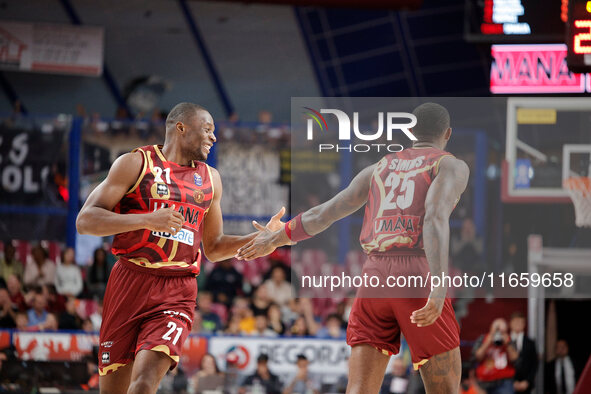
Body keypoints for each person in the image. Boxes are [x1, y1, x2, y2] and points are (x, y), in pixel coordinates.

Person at [237, 103, 469, 393]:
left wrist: (275, 238)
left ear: (410, 131)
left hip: (374, 276)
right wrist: (438, 285)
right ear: (447, 133)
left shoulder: (379, 167)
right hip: (416, 272)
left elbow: (325, 213)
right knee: (445, 389)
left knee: (358, 389)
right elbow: (434, 218)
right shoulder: (449, 164)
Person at [76, 102, 285, 393]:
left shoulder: (210, 179)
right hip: (129, 281)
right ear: (181, 128)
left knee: (145, 382)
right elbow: (85, 221)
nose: (214, 138)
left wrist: (261, 240)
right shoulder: (136, 163)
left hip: (177, 290)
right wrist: (147, 219)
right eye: (208, 129)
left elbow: (213, 247)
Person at [473, 318, 518, 393]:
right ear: (491, 329)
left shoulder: (509, 340)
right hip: (484, 382)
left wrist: (507, 344)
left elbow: (515, 359)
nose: (498, 335)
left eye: (501, 332)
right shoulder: (483, 339)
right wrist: (487, 343)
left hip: (504, 382)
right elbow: (477, 357)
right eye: (496, 332)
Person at [509, 312, 537, 393]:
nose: (518, 324)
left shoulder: (530, 343)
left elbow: (534, 364)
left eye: (521, 322)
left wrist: (527, 381)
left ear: (524, 324)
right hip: (508, 384)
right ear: (510, 323)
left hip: (526, 385)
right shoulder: (505, 342)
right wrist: (512, 382)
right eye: (516, 321)